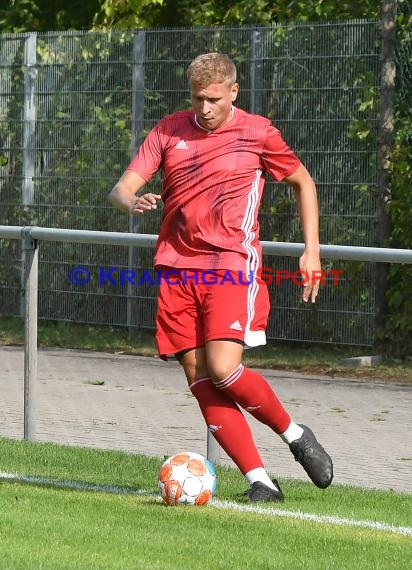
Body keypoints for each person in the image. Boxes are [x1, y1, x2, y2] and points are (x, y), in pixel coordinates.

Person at [109, 52, 333, 502]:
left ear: (233, 91)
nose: (204, 108)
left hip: (231, 265)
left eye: (213, 99)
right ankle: (260, 482)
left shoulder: (257, 132)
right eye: (197, 99)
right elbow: (121, 187)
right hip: (176, 269)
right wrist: (130, 200)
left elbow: (303, 182)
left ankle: (293, 433)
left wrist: (312, 251)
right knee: (199, 376)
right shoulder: (170, 129)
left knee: (224, 369)